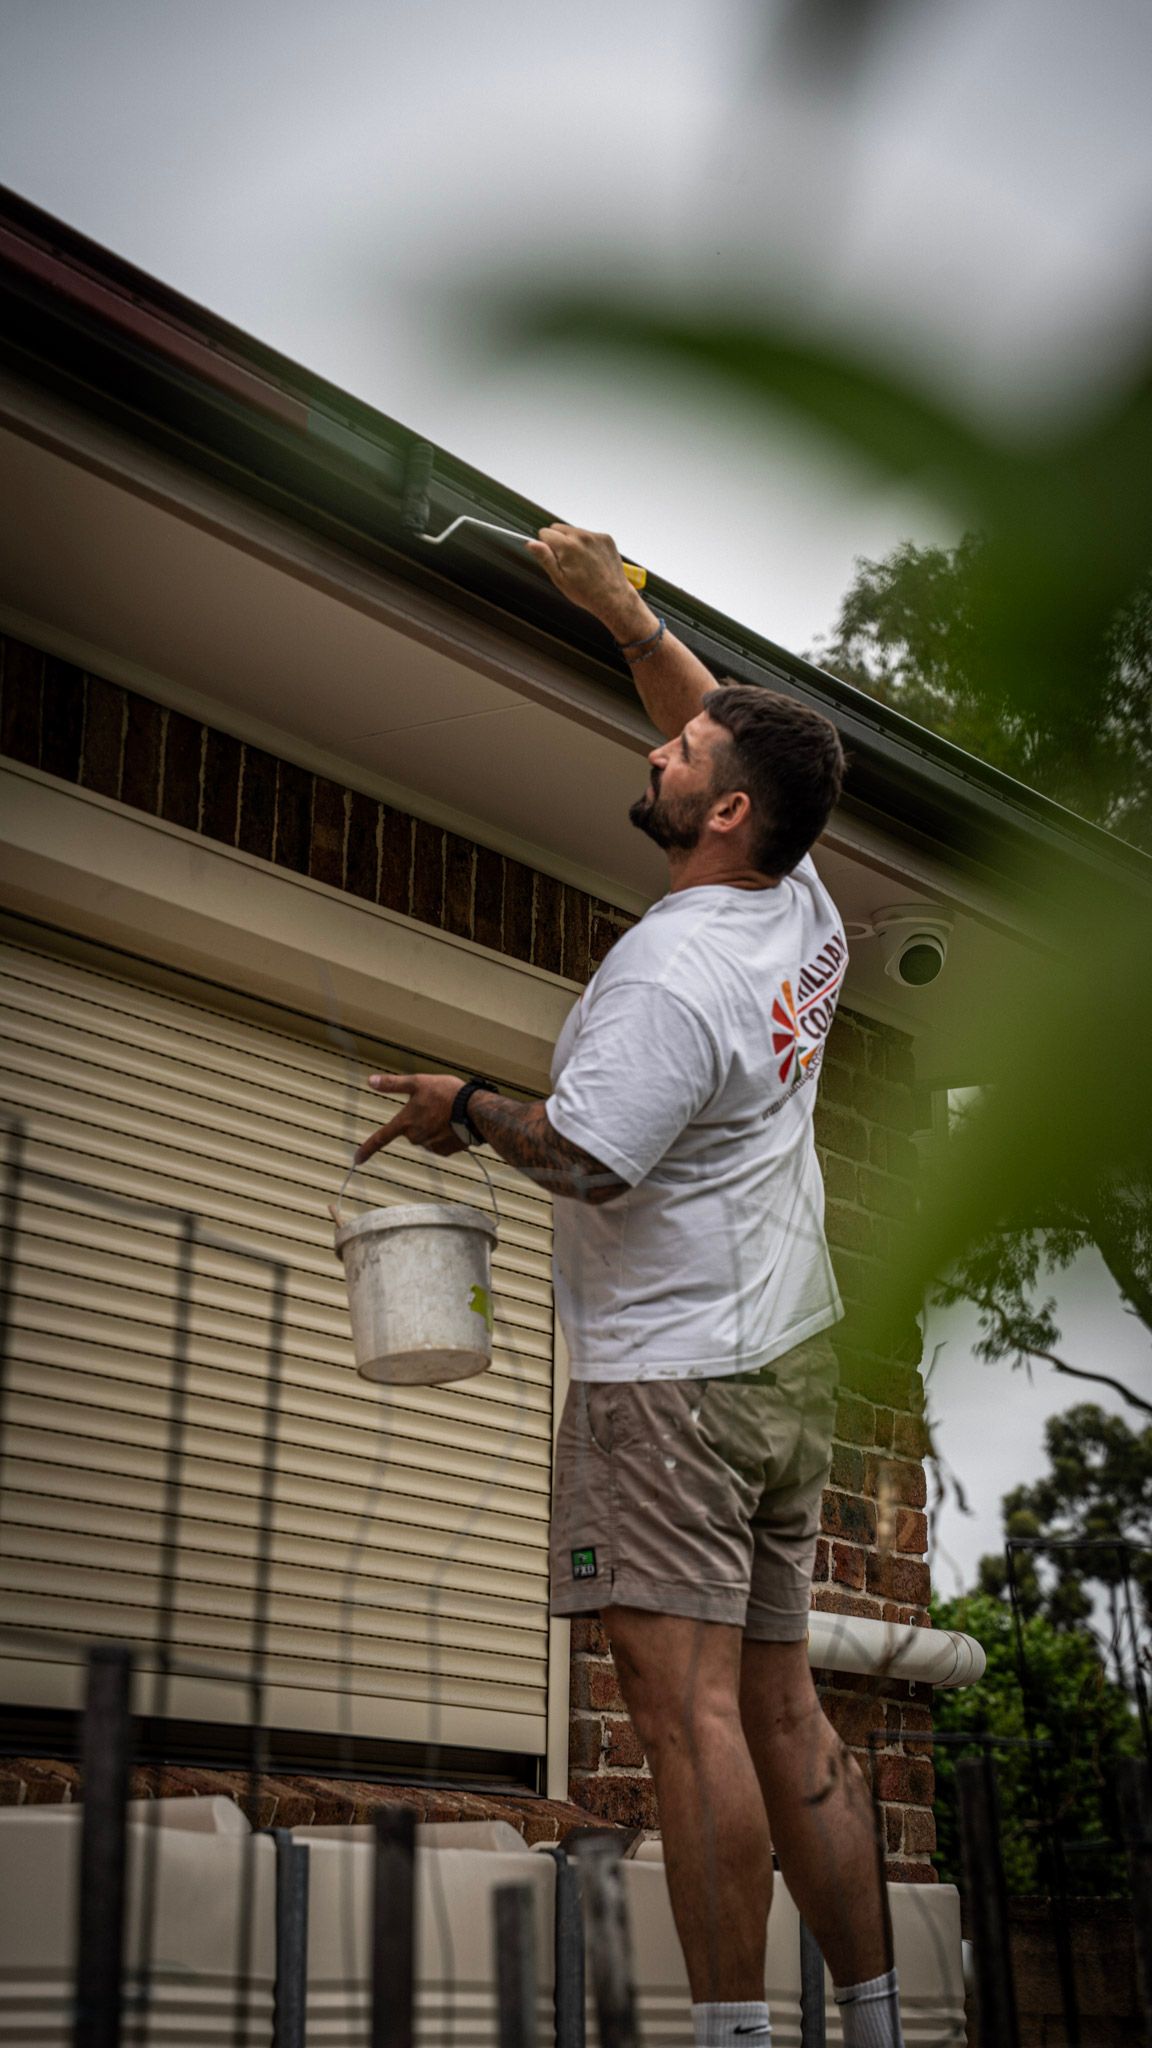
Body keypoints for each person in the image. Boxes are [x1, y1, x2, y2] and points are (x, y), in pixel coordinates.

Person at [356, 526, 904, 2048]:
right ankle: (869, 2021)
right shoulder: (804, 908)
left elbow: (589, 1156)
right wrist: (619, 611)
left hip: (670, 1385)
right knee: (788, 1717)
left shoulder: (671, 974)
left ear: (721, 813)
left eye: (680, 751)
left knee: (688, 1726)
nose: (658, 747)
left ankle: (732, 2036)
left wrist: (463, 1104)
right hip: (788, 1360)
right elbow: (715, 714)